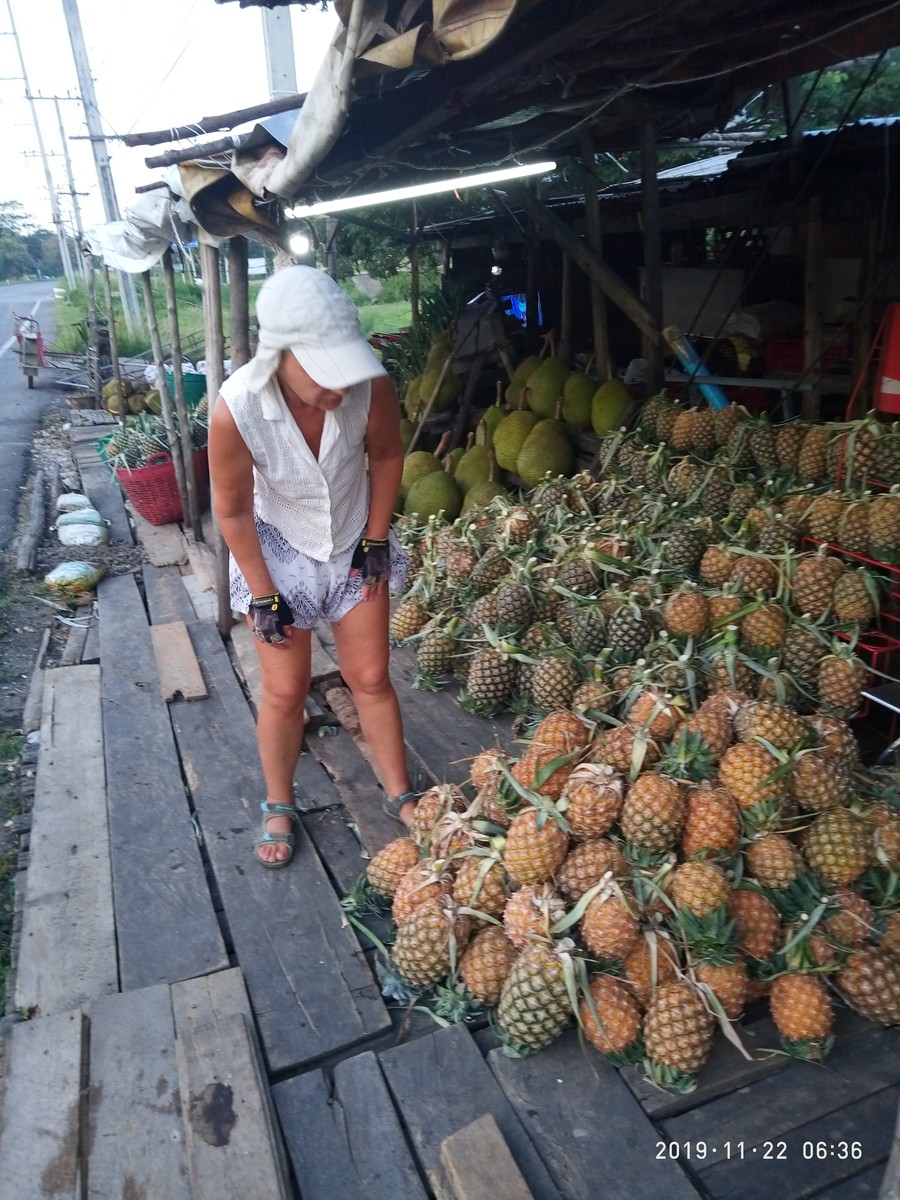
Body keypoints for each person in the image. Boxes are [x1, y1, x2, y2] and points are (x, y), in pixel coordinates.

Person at [208, 265, 418, 869]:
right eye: (325, 376)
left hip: (354, 540)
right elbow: (233, 509)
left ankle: (399, 792)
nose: (338, 391)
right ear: (280, 353)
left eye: (345, 373)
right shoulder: (237, 408)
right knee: (283, 689)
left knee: (372, 677)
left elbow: (385, 452)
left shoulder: (370, 387)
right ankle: (279, 802)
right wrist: (264, 593)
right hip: (277, 548)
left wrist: (376, 538)